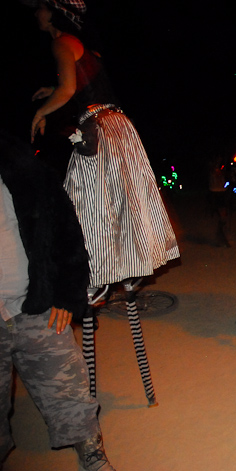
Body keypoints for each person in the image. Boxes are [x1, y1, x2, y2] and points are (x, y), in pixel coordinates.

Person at [29, 0, 179, 290]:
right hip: (118, 126)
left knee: (86, 198)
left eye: (41, 7)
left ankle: (94, 277)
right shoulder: (83, 47)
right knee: (121, 197)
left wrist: (41, 111)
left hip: (99, 128)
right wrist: (53, 92)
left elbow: (69, 89)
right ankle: (127, 266)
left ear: (54, 12)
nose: (37, 13)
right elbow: (84, 88)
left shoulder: (62, 43)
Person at [0, 131, 115, 471]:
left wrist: (67, 295)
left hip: (33, 305)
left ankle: (91, 452)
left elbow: (66, 233)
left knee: (71, 387)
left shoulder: (26, 172)